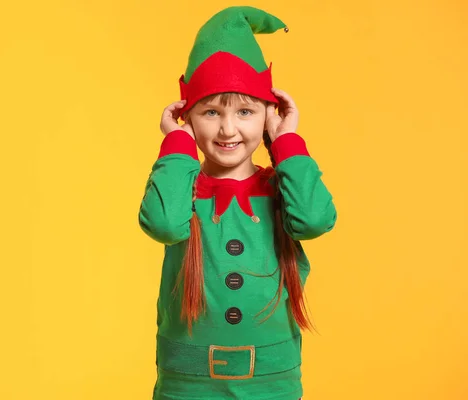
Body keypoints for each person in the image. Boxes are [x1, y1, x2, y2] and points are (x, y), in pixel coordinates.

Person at [138, 6, 337, 400]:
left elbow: (315, 219)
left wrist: (287, 143)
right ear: (188, 116)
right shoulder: (181, 186)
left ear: (268, 113)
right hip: (186, 386)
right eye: (210, 112)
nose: (228, 129)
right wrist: (176, 143)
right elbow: (162, 224)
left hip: (271, 384)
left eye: (245, 111)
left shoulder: (281, 188)